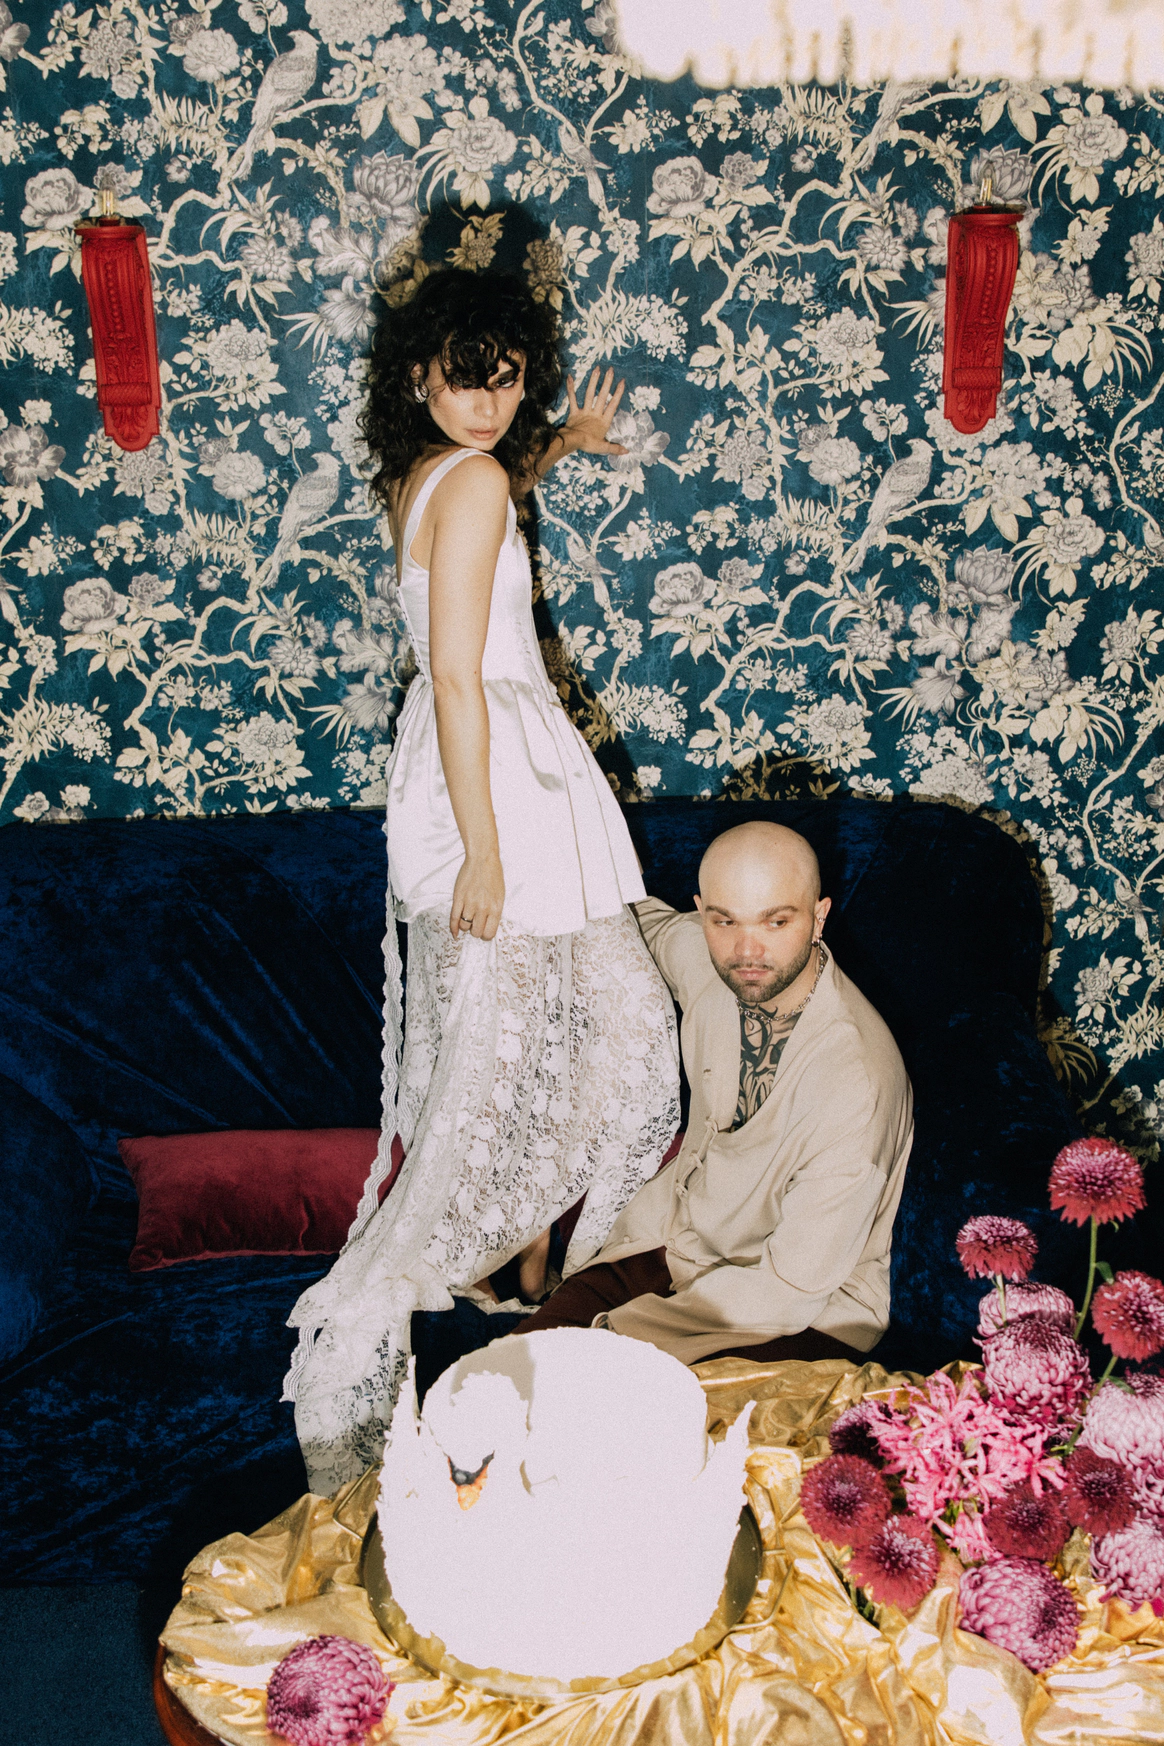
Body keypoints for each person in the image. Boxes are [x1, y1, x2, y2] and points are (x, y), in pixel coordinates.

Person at [284, 270, 680, 1493]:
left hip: (473, 763)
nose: (489, 402)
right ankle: (481, 1283)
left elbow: (487, 491)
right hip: (493, 773)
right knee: (606, 1035)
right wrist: (489, 846)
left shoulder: (434, 475)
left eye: (505, 380)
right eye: (465, 379)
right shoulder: (474, 481)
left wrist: (562, 443)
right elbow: (460, 675)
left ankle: (516, 1276)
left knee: (516, 1040)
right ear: (419, 377)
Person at [523, 820, 913, 1363]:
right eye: (724, 920)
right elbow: (640, 923)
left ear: (819, 917)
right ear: (702, 911)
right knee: (502, 1378)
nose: (746, 951)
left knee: (593, 1397)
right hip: (673, 1244)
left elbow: (788, 1290)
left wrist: (615, 1337)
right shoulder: (715, 967)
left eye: (776, 921)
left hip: (799, 1312)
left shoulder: (856, 1084)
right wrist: (559, 857)